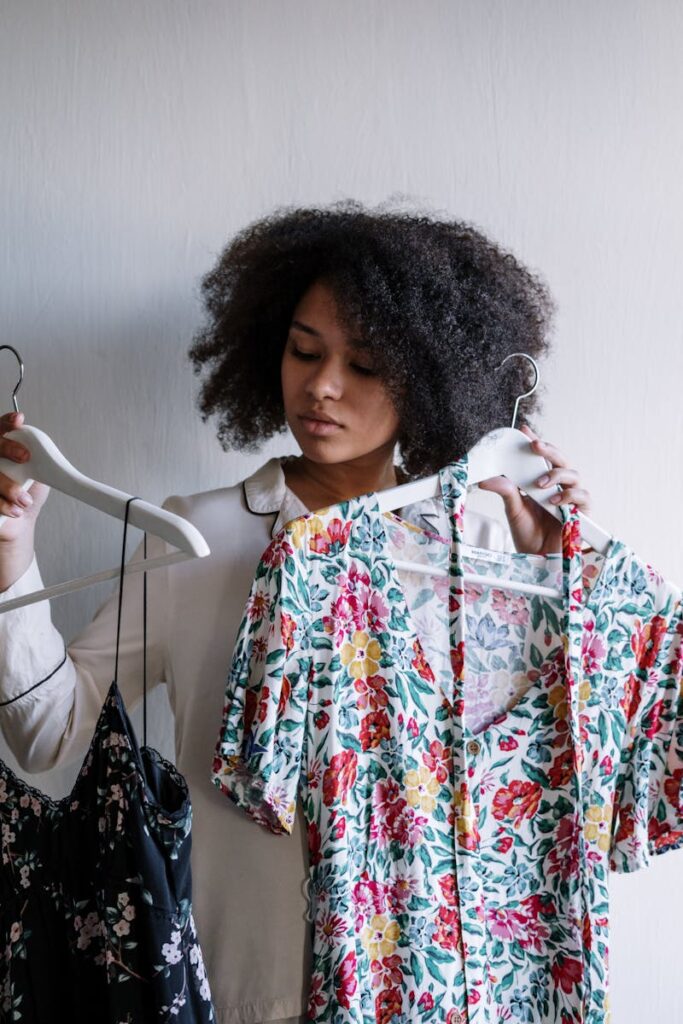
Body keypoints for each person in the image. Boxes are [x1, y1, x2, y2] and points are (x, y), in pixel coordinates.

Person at [0, 203, 592, 1024]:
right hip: (243, 992)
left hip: (436, 993)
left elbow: (560, 777)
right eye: (303, 351)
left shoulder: (488, 547)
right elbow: (48, 736)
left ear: (430, 378)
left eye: (365, 365)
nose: (320, 386)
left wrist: (560, 575)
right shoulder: (198, 537)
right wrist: (12, 567)